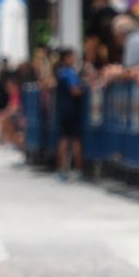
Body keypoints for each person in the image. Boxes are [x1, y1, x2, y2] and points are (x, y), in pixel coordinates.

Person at [53, 48, 84, 180]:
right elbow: (75, 91)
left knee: (63, 139)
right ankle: (78, 170)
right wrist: (84, 90)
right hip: (71, 110)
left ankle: (62, 169)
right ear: (66, 58)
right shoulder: (70, 73)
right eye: (72, 57)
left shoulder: (60, 73)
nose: (73, 60)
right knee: (74, 139)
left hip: (62, 110)